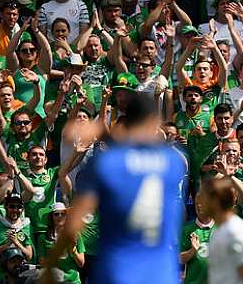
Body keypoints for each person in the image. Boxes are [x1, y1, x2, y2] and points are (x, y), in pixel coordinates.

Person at [43, 93, 187, 283]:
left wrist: (50, 263)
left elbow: (76, 219)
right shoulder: (173, 162)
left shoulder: (110, 162)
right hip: (160, 271)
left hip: (118, 268)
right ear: (154, 122)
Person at [200, 176, 243, 284]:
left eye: (203, 198)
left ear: (215, 201)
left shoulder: (239, 234)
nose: (200, 203)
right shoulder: (217, 231)